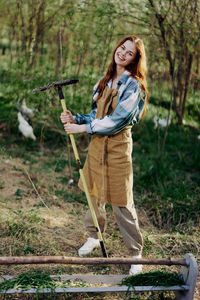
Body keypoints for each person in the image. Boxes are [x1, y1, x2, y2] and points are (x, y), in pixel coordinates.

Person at [60, 35, 149, 275]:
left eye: (129, 52)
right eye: (122, 48)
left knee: (122, 201)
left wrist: (82, 128)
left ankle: (135, 255)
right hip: (98, 146)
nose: (123, 53)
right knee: (94, 194)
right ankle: (94, 236)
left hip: (119, 147)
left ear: (135, 59)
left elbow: (116, 121)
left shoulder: (134, 86)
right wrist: (76, 118)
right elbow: (95, 117)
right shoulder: (103, 81)